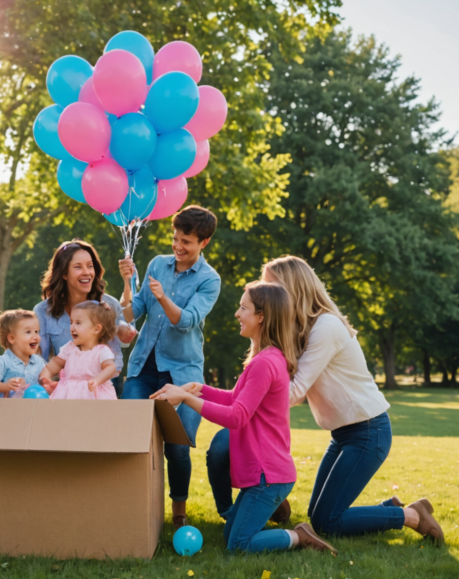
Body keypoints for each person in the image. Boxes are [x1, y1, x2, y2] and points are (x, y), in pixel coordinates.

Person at [261, 255, 443, 545]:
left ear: (293, 288)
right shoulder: (301, 331)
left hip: (368, 432)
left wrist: (247, 405)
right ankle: (389, 510)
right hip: (343, 435)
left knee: (327, 522)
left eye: (271, 288)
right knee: (319, 515)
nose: (265, 295)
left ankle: (412, 516)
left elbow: (294, 391)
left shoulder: (325, 327)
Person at [152, 281, 336, 554]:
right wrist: (201, 389)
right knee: (230, 535)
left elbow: (237, 416)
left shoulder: (265, 363)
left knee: (238, 545)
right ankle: (270, 524)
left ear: (261, 317)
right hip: (264, 474)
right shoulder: (265, 358)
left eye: (243, 308)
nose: (237, 314)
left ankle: (298, 536)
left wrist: (188, 400)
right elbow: (235, 399)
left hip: (269, 477)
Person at [118, 205, 221, 528]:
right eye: (175, 238)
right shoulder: (157, 265)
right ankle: (130, 504)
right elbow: (131, 313)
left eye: (186, 242)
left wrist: (162, 298)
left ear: (203, 243)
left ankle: (178, 509)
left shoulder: (209, 279)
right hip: (144, 367)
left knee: (177, 446)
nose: (177, 247)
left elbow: (185, 322)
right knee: (130, 436)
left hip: (182, 374)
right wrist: (126, 282)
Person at [34, 240, 136, 396]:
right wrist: (47, 383)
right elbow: (39, 359)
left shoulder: (108, 304)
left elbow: (122, 346)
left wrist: (123, 330)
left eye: (90, 266)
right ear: (64, 274)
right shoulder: (43, 311)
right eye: (77, 267)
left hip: (100, 385)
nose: (87, 272)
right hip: (63, 386)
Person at [39, 301, 119, 400]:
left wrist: (97, 380)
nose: (72, 327)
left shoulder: (101, 351)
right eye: (71, 322)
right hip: (68, 396)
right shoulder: (69, 348)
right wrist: (45, 379)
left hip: (93, 395)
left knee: (93, 415)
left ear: (96, 329)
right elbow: (51, 367)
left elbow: (110, 368)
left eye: (78, 323)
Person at [0, 309, 46, 398]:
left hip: (29, 409)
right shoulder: (4, 361)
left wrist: (47, 383)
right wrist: (5, 386)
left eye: (36, 331)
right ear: (12, 338)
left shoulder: (39, 362)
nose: (35, 336)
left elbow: (44, 380)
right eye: (28, 332)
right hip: (5, 409)